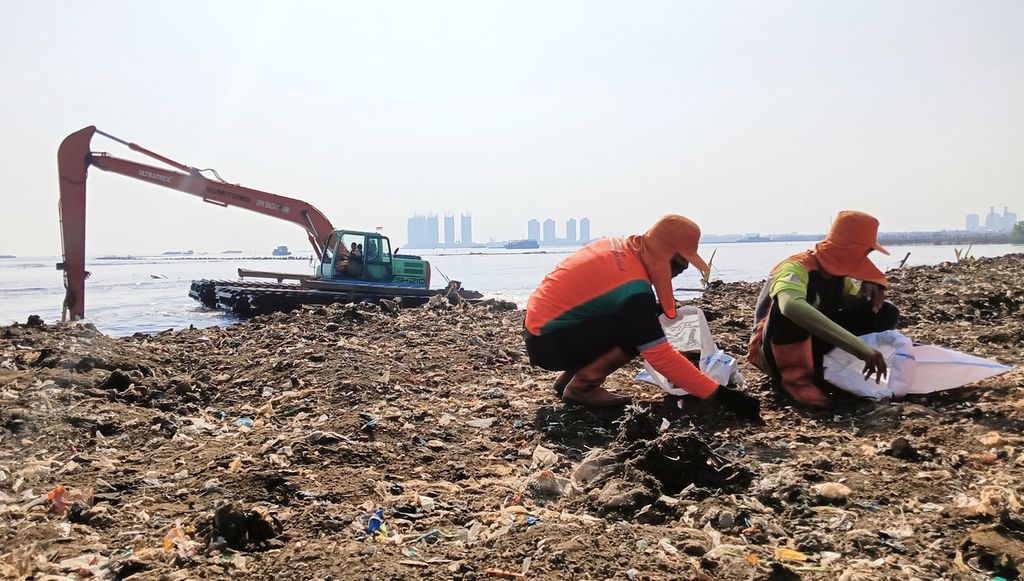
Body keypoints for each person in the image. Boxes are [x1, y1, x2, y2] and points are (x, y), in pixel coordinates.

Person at [523, 214, 761, 420]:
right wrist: (724, 397)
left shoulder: (621, 247)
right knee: (639, 330)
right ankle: (583, 386)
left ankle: (570, 378)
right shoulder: (633, 287)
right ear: (663, 253)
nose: (680, 273)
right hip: (549, 343)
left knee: (640, 317)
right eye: (678, 265)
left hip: (542, 331)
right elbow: (660, 356)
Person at [747, 210, 897, 408]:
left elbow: (850, 310)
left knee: (885, 311)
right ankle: (797, 381)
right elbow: (790, 306)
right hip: (773, 352)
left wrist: (870, 289)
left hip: (812, 346)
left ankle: (843, 372)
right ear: (853, 249)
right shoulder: (796, 268)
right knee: (797, 307)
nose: (867, 258)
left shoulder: (839, 277)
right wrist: (860, 348)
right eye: (867, 252)